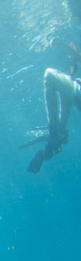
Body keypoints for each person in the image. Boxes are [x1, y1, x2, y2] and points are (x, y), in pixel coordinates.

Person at [31, 42, 81, 173]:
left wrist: (63, 45)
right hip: (74, 93)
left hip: (75, 92)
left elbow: (77, 57)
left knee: (49, 75)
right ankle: (53, 144)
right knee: (67, 90)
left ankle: (54, 136)